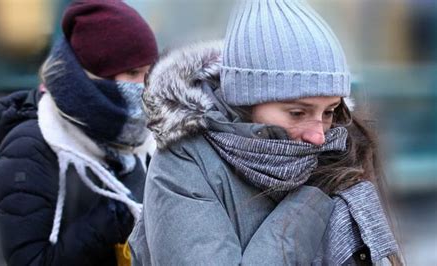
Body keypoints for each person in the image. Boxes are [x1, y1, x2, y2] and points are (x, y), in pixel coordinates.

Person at [129, 0, 402, 265]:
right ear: (246, 101)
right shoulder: (183, 163)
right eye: (297, 113)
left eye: (328, 111)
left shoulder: (339, 152)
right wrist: (310, 200)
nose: (319, 136)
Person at [0, 0, 158, 265]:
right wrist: (109, 219)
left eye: (149, 73)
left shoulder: (140, 141)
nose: (145, 86)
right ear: (92, 77)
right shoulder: (29, 149)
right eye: (133, 72)